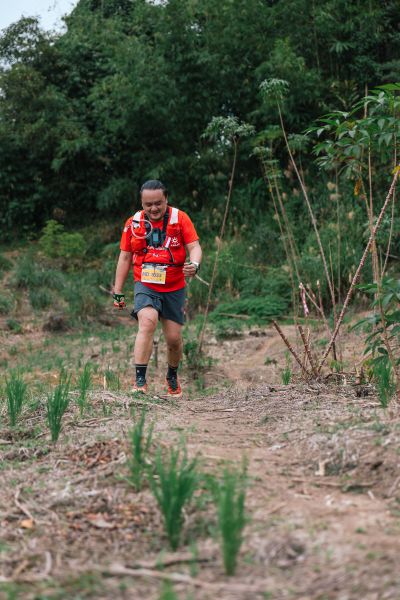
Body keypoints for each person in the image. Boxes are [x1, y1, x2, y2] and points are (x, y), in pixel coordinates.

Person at [113, 180, 202, 397]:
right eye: (148, 204)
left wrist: (194, 264)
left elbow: (195, 246)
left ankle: (172, 375)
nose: (153, 208)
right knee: (147, 321)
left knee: (173, 339)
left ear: (166, 200)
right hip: (145, 283)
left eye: (158, 203)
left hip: (174, 286)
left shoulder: (180, 218)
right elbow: (125, 258)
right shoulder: (133, 223)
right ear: (142, 203)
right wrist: (118, 291)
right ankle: (140, 381)